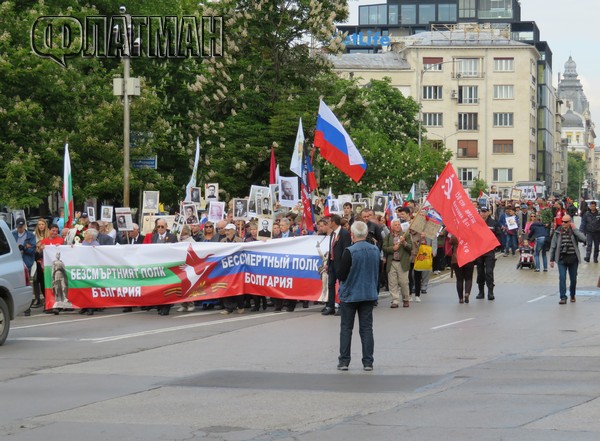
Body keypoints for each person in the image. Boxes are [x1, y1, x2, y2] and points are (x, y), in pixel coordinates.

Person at [336, 221, 380, 371]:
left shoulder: (350, 251)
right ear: (366, 234)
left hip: (350, 294)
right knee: (367, 328)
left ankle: (344, 361)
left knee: (346, 328)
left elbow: (342, 274)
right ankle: (368, 362)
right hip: (368, 293)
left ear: (352, 235)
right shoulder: (375, 250)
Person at [549, 214, 586, 304]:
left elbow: (584, 239)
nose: (563, 223)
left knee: (573, 279)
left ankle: (572, 294)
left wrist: (574, 229)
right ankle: (563, 297)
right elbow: (553, 246)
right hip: (561, 258)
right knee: (562, 278)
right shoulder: (558, 232)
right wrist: (551, 259)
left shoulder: (573, 231)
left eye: (565, 222)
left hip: (573, 258)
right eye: (562, 221)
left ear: (570, 222)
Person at [322, 214, 352, 316]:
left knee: (342, 285)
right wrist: (328, 263)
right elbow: (331, 249)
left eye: (329, 221)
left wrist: (344, 264)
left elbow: (346, 250)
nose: (328, 223)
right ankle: (330, 306)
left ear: (334, 222)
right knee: (330, 285)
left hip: (340, 264)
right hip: (332, 263)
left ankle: (341, 306)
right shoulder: (333, 234)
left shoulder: (344, 233)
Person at [148, 219, 178, 315]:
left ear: (166, 227)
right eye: (158, 226)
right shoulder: (154, 237)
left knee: (167, 288)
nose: (160, 228)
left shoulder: (172, 237)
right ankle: (160, 306)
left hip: (168, 267)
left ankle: (166, 308)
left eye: (162, 226)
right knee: (158, 288)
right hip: (157, 267)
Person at [382, 219, 412, 308]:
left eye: (399, 224)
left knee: (403, 282)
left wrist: (404, 243)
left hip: (402, 262)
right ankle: (394, 300)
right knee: (392, 282)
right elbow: (384, 248)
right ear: (392, 227)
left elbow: (410, 247)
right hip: (392, 262)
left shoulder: (406, 235)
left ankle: (406, 299)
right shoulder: (388, 236)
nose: (398, 226)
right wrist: (392, 248)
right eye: (395, 225)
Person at [12, 217, 37, 316]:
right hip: (15, 262)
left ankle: (27, 308)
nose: (20, 229)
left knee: (25, 284)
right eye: (18, 227)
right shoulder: (13, 234)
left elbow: (32, 250)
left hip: (26, 263)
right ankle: (17, 305)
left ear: (25, 226)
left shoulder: (30, 236)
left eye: (21, 227)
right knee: (15, 284)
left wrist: (24, 248)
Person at [476, 207, 502, 300]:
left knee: (489, 272)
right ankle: (481, 292)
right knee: (480, 273)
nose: (483, 213)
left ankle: (490, 292)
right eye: (481, 212)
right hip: (479, 251)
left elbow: (498, 235)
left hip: (489, 251)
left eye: (484, 212)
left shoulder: (493, 223)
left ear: (488, 212)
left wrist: (496, 246)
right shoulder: (476, 222)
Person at [450, 235, 476, 304]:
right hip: (468, 258)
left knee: (459, 279)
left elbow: (450, 241)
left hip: (457, 259)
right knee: (468, 278)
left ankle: (461, 299)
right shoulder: (471, 234)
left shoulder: (455, 233)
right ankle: (467, 293)